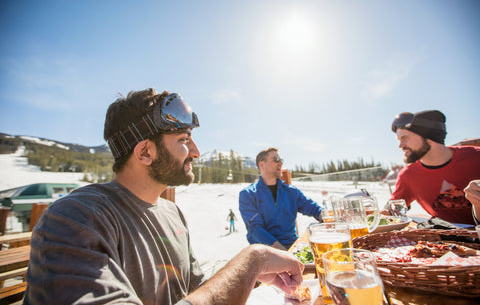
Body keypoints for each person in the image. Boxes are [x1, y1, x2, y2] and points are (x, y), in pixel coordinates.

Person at [24, 88, 304, 305]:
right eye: (183, 140)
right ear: (145, 152)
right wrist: (251, 261)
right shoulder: (75, 219)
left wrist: (253, 275)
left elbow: (193, 287)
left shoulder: (171, 212)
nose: (195, 152)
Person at [386, 110, 480, 225]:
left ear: (427, 135)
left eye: (405, 138)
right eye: (399, 140)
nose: (401, 146)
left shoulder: (476, 157)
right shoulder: (408, 175)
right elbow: (393, 208)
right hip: (444, 239)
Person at [239, 147, 323, 251]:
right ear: (261, 164)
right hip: (264, 251)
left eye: (281, 160)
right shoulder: (248, 194)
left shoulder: (291, 192)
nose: (281, 163)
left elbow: (311, 207)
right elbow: (256, 229)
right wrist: (284, 253)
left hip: (292, 245)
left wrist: (324, 215)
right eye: (276, 160)